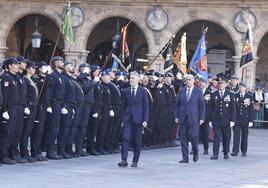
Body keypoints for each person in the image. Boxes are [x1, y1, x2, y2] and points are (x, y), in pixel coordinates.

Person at [118, 71, 149, 167]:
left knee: (137, 140)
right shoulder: (126, 91)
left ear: (138, 80)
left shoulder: (143, 91)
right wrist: (122, 119)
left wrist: (145, 120)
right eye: (130, 78)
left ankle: (135, 160)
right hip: (128, 118)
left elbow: (145, 106)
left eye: (133, 78)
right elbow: (123, 106)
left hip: (138, 119)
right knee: (125, 138)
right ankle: (124, 159)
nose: (131, 80)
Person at [175, 74, 205, 163]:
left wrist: (201, 118)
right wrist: (176, 116)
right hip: (183, 118)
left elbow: (201, 106)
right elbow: (177, 105)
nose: (188, 81)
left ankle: (195, 150)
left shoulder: (198, 91)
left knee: (193, 136)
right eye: (187, 80)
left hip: (194, 118)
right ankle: (185, 158)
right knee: (183, 138)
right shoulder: (181, 91)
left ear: (193, 81)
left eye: (190, 80)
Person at [0, 57, 21, 164]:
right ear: (9, 66)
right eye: (15, 64)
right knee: (7, 132)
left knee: (13, 132)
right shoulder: (6, 78)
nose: (18, 66)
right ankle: (3, 156)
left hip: (16, 108)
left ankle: (8, 154)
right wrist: (4, 110)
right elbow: (5, 95)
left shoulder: (14, 77)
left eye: (18, 64)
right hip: (9, 108)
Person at [210, 77, 236, 160]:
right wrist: (210, 120)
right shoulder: (214, 94)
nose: (221, 85)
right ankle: (215, 154)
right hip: (216, 120)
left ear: (225, 84)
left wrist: (232, 120)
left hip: (226, 120)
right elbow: (211, 108)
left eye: (222, 83)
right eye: (219, 83)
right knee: (216, 138)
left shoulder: (230, 94)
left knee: (226, 137)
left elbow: (233, 108)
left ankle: (225, 153)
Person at [231, 81, 254, 157]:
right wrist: (232, 119)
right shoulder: (235, 96)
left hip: (245, 119)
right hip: (237, 119)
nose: (241, 88)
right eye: (240, 87)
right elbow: (233, 108)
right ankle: (235, 150)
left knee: (244, 135)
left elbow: (251, 109)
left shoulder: (249, 96)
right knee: (236, 135)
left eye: (242, 87)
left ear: (245, 88)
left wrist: (251, 120)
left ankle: (244, 150)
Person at [198, 77, 212, 155]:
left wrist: (210, 118)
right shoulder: (196, 92)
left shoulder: (210, 93)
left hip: (206, 117)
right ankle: (194, 148)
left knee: (205, 134)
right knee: (195, 133)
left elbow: (211, 107)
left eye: (203, 82)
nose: (201, 84)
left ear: (206, 84)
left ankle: (205, 149)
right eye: (200, 82)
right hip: (197, 117)